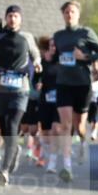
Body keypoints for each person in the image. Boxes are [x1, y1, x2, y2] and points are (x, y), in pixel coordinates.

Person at [0, 5, 41, 185]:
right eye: (10, 16)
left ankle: (4, 170)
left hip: (21, 90)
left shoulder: (27, 37)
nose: (12, 19)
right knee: (5, 130)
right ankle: (15, 151)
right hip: (0, 90)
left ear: (20, 19)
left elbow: (36, 55)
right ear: (6, 18)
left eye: (16, 16)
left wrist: (36, 63)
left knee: (12, 125)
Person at [51, 1, 98, 182]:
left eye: (72, 12)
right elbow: (54, 59)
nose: (69, 14)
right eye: (66, 12)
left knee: (79, 127)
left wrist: (85, 57)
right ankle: (67, 166)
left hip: (82, 84)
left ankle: (83, 142)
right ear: (63, 15)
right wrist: (50, 57)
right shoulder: (58, 36)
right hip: (63, 83)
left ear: (78, 14)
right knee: (65, 125)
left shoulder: (86, 33)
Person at [36, 37, 62, 174]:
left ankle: (52, 162)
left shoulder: (63, 62)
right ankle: (46, 155)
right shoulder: (42, 62)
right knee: (45, 133)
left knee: (55, 130)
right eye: (52, 46)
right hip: (45, 100)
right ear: (49, 47)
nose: (54, 48)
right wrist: (38, 83)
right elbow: (35, 77)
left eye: (56, 46)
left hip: (60, 101)